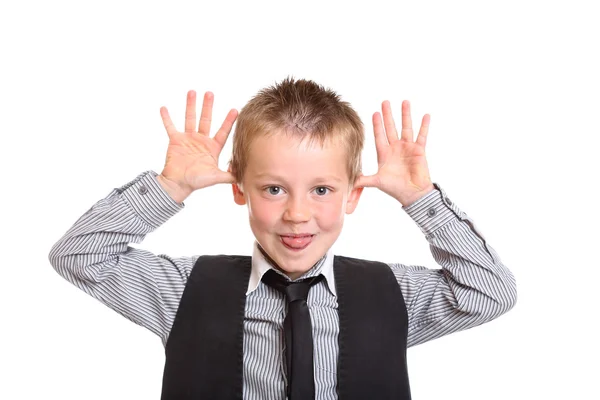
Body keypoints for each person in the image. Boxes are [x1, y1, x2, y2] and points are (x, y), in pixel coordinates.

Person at [48, 77, 517, 399]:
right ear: (239, 189)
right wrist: (169, 188)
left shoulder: (394, 293)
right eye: (273, 189)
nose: (297, 214)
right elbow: (79, 255)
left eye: (321, 190)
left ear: (353, 194)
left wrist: (422, 201)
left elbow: (490, 293)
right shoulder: (183, 289)